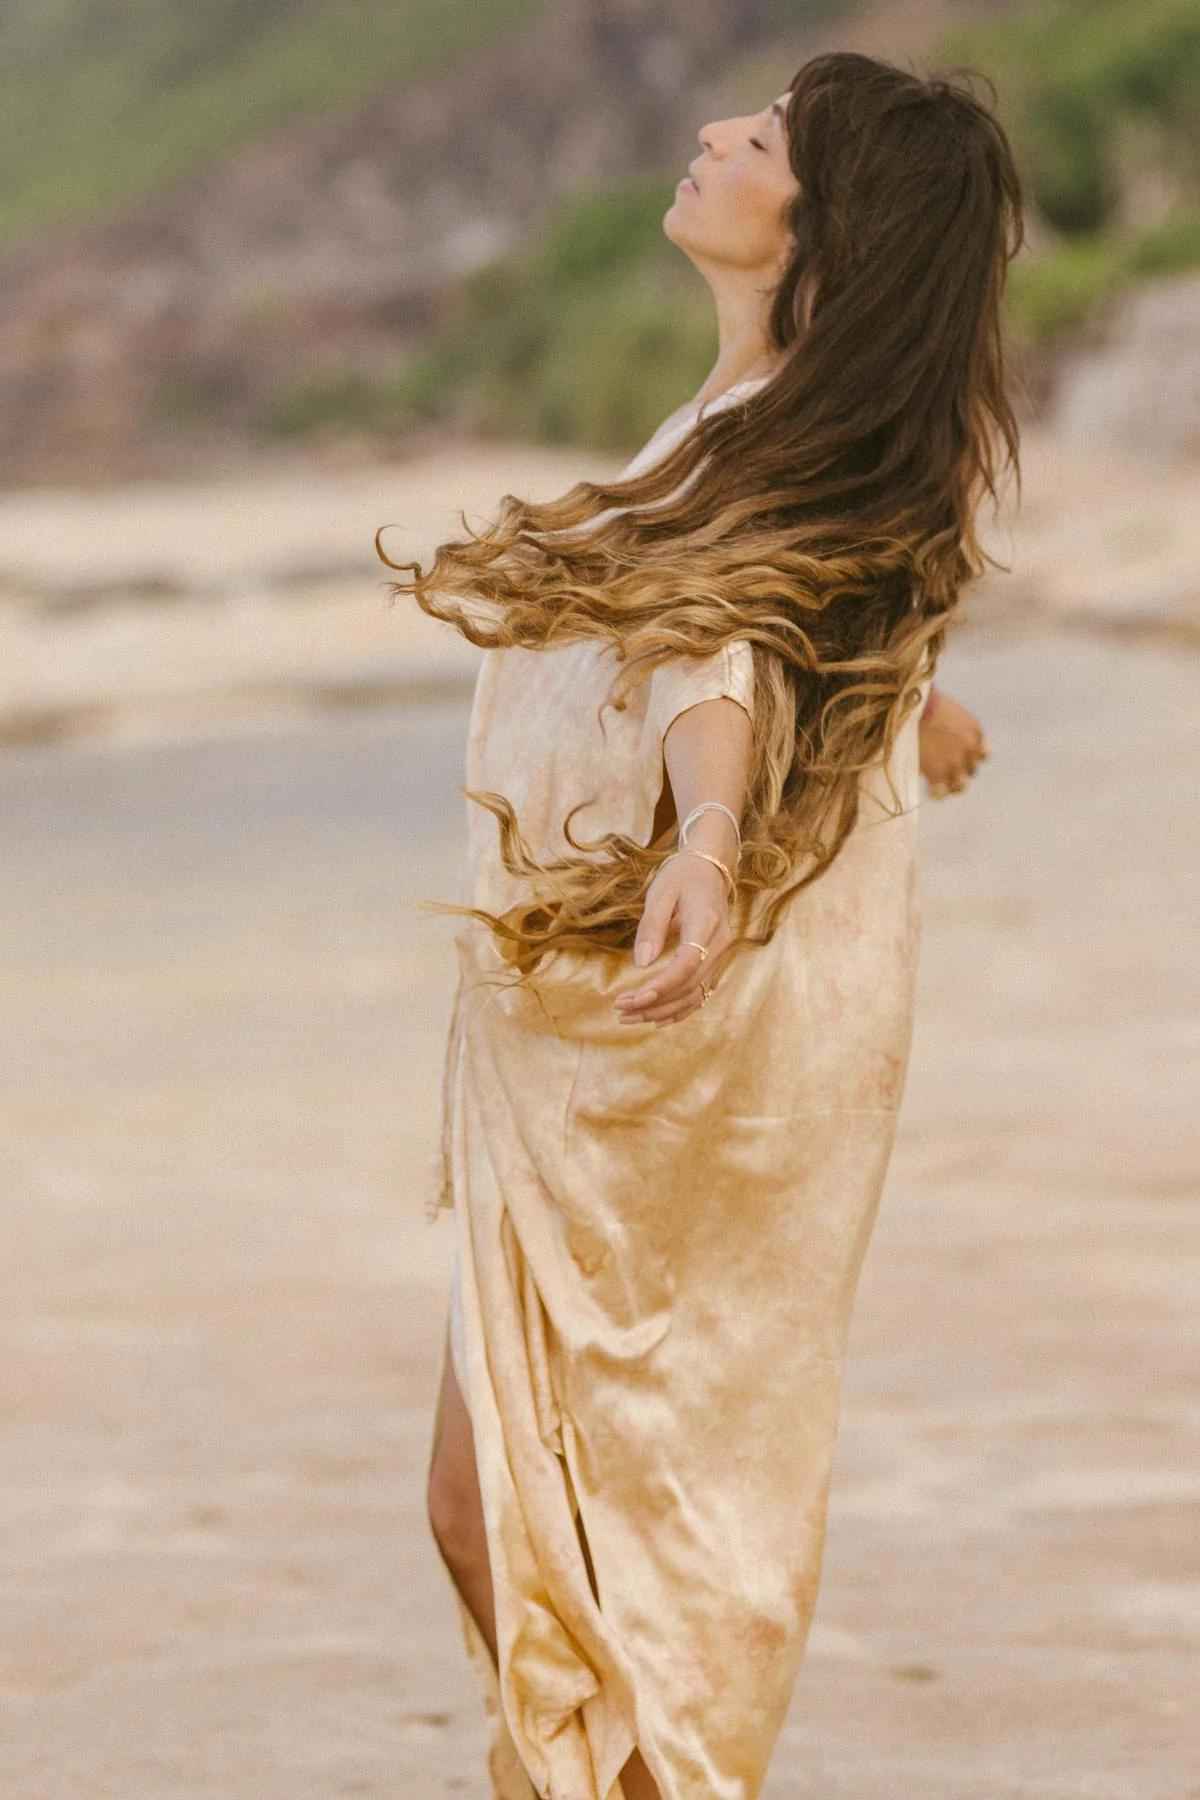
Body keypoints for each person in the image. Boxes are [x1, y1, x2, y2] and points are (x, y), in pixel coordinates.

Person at [376, 49, 1021, 1800]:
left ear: (824, 239)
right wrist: (912, 702)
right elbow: (798, 606)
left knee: (598, 1543)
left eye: (768, 142)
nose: (718, 137)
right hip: (576, 1041)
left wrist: (716, 831)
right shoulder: (767, 433)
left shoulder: (791, 450)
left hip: (688, 1047)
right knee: (492, 1513)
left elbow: (713, 649)